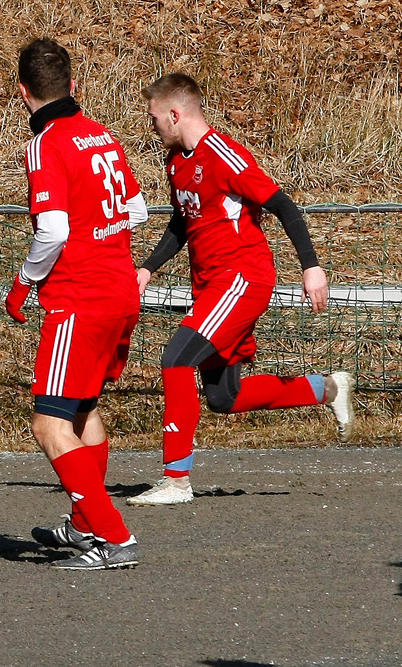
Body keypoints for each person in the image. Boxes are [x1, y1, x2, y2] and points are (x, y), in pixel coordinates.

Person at [127, 73, 356, 506]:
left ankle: (176, 481)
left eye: (155, 118)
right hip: (212, 285)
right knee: (223, 397)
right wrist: (148, 268)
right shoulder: (176, 161)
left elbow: (283, 205)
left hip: (241, 279)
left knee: (175, 359)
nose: (151, 126)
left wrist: (311, 267)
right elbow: (184, 221)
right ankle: (327, 388)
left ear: (175, 114)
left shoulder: (224, 155)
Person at [6, 40, 147, 570]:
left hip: (78, 298)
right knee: (82, 410)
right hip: (120, 291)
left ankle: (113, 537)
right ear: (74, 86)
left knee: (48, 424)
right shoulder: (102, 135)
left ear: (23, 92)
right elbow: (136, 209)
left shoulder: (45, 142)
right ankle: (84, 525)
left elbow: (54, 229)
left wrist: (23, 282)